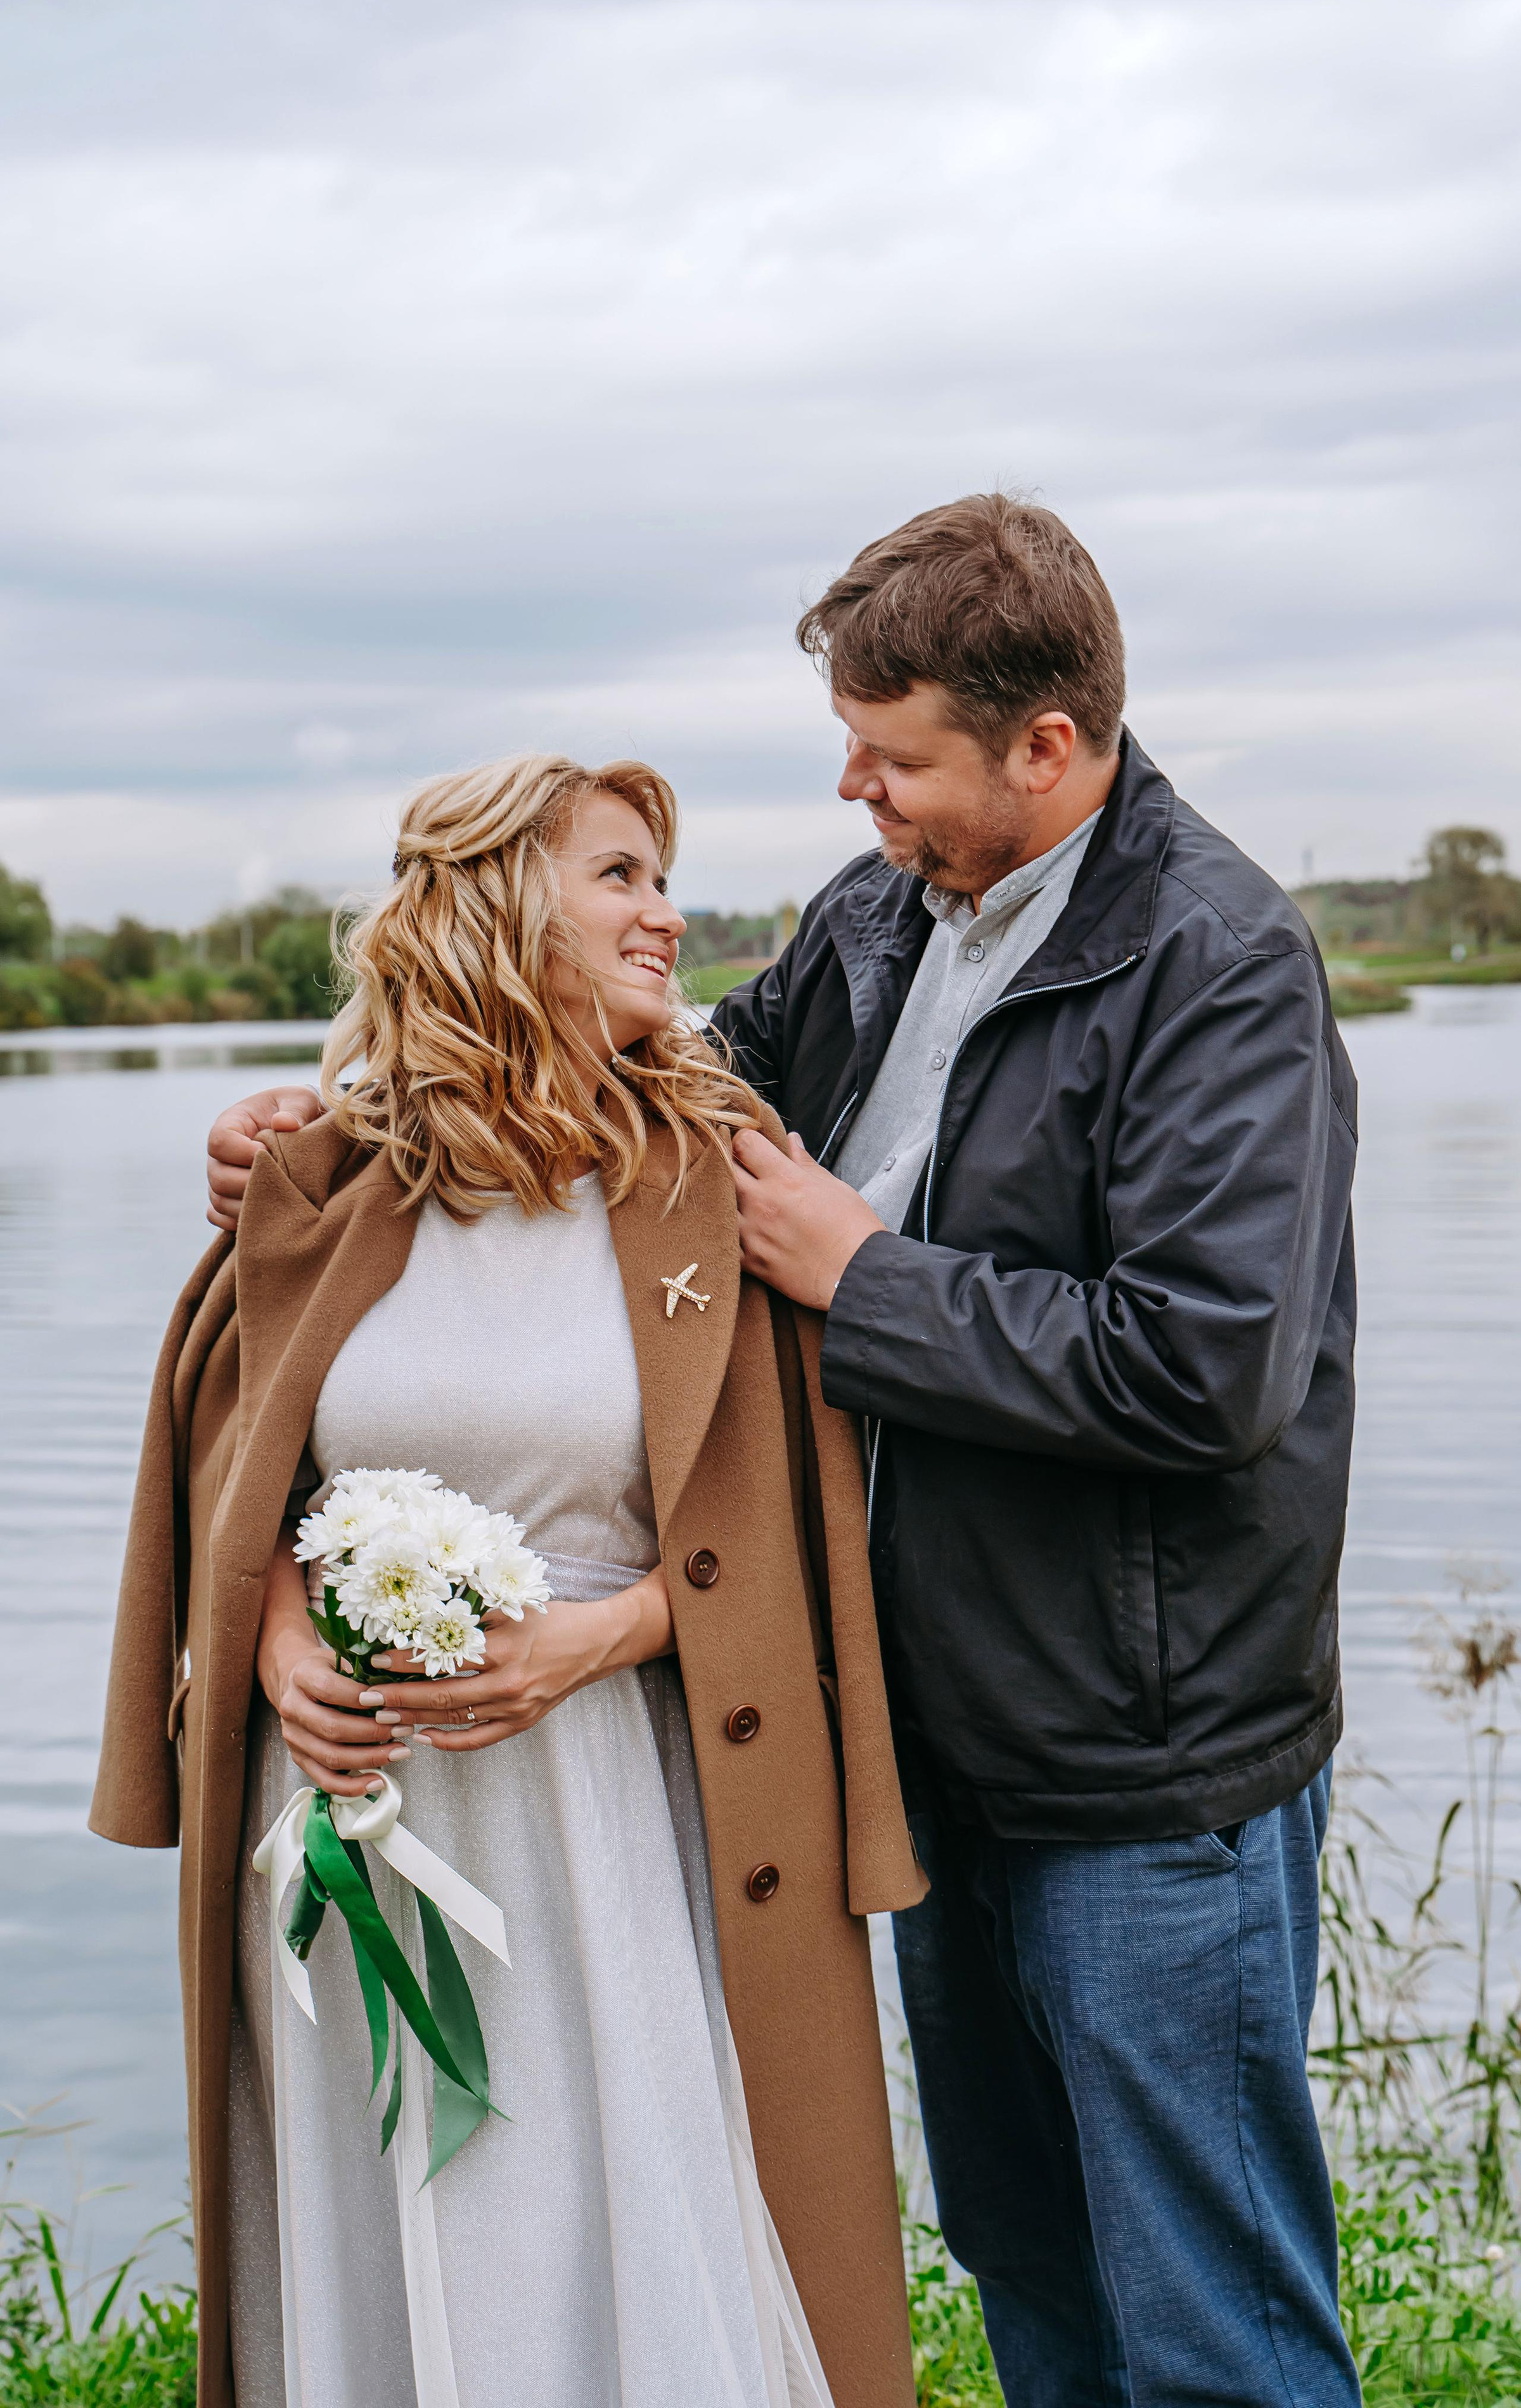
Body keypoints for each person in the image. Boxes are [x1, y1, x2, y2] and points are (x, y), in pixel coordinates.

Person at [203, 493, 1362, 2408]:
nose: (854, 792)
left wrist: (868, 1276)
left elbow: (1209, 1368)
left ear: (1045, 747)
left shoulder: (1221, 964)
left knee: (1212, 2312)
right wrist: (327, 1131)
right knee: (1032, 2266)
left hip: (1150, 1767)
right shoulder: (884, 921)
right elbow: (627, 1087)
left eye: (891, 755)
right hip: (927, 1742)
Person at [92, 753, 927, 2408]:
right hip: (356, 1829)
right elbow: (245, 1460)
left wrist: (606, 1635)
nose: (666, 912)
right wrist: (273, 1645)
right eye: (620, 874)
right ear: (494, 903)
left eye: (662, 877)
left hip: (615, 1814)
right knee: (392, 2238)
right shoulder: (333, 1172)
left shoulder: (709, 1161)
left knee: (623, 2212)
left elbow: (798, 1519)